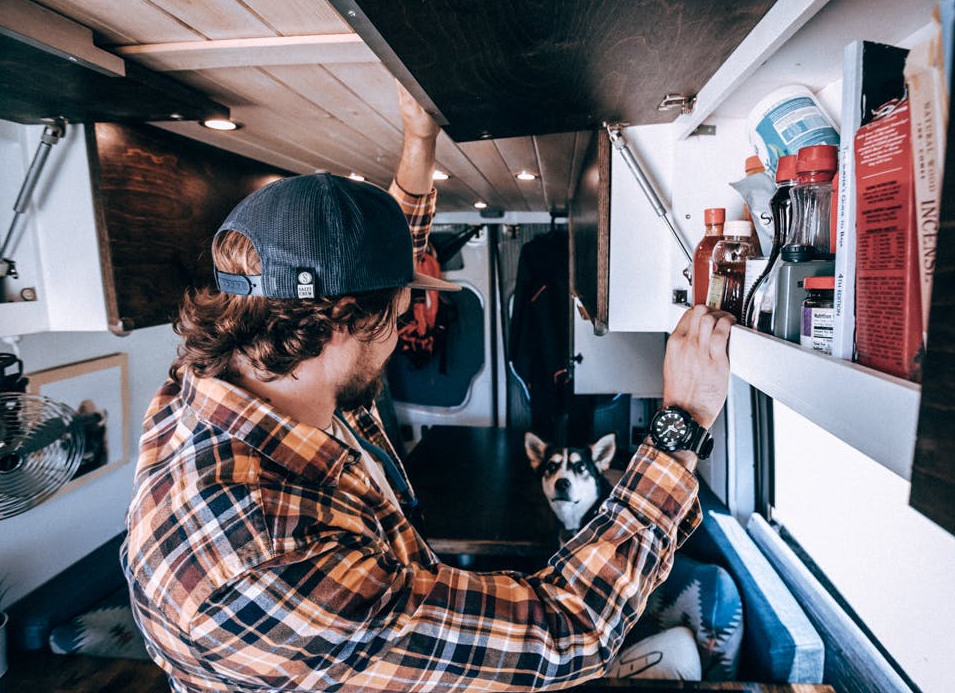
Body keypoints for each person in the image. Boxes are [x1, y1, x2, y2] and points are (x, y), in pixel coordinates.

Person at [122, 83, 735, 693]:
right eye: (403, 309)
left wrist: (420, 139)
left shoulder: (222, 372)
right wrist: (683, 420)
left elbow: (373, 261)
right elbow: (568, 631)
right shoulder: (266, 560)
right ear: (341, 322)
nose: (410, 323)